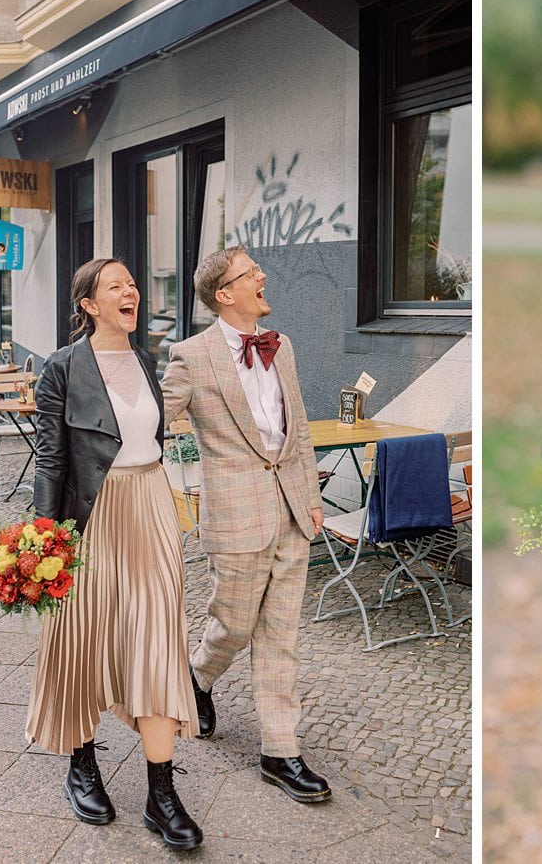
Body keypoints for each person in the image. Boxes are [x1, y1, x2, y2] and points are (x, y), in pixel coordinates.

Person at [26, 258, 203, 852]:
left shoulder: (146, 361)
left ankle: (161, 790)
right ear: (89, 305)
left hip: (149, 504)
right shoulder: (61, 368)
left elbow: (149, 441)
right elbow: (51, 459)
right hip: (93, 516)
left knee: (157, 635)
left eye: (132, 284)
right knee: (84, 636)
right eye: (116, 286)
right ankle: (82, 762)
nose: (131, 291)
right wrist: (44, 540)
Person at [160, 246, 331, 803]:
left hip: (289, 511)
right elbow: (153, 418)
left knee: (281, 635)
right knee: (232, 624)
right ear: (223, 294)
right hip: (235, 515)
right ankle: (198, 677)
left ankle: (280, 751)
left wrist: (309, 498)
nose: (263, 276)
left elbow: (297, 429)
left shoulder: (283, 348)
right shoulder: (190, 355)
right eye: (251, 271)